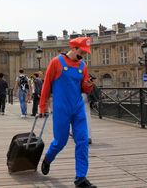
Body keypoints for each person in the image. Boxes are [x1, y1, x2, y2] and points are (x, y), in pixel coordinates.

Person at [39, 37, 96, 188]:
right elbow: (46, 85)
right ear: (75, 48)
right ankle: (48, 159)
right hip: (61, 108)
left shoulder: (82, 65)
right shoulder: (57, 62)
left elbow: (84, 88)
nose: (83, 56)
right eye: (82, 52)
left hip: (78, 108)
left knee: (83, 141)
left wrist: (89, 86)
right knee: (60, 141)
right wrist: (42, 106)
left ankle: (80, 178)